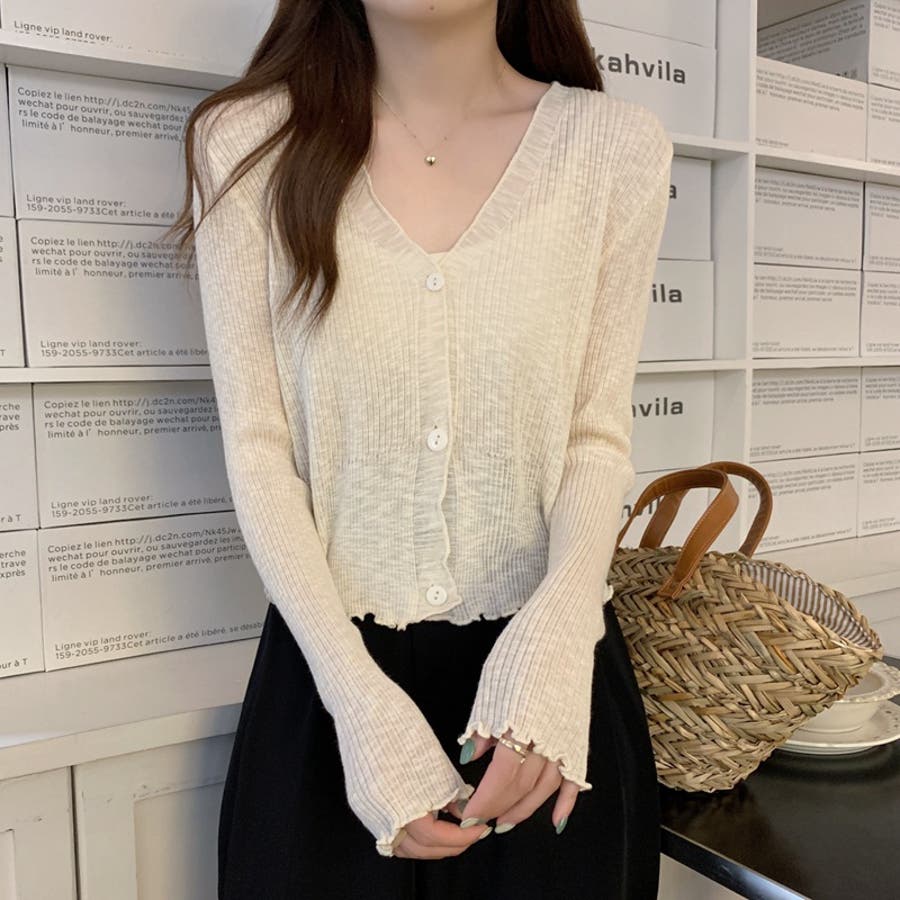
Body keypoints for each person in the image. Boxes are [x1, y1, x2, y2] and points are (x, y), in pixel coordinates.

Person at [169, 1, 673, 896]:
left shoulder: (612, 147)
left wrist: (557, 643)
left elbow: (595, 437)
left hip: (549, 701)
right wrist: (358, 706)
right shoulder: (247, 143)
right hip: (330, 692)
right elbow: (258, 450)